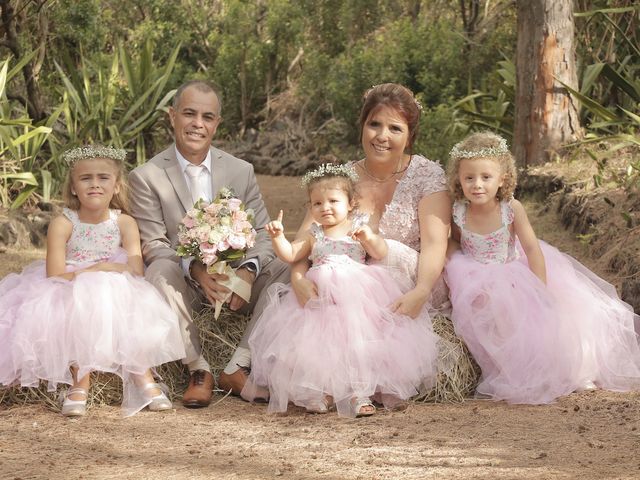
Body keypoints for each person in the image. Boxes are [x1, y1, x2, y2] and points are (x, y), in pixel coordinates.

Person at [224, 83, 453, 397]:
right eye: (374, 124)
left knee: (383, 255)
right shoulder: (341, 178)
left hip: (411, 278)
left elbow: (435, 244)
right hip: (346, 274)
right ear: (361, 126)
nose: (382, 136)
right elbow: (308, 237)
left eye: (395, 128)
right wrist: (299, 278)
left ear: (410, 135)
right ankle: (242, 363)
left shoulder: (427, 176)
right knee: (285, 272)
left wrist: (421, 290)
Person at [444, 131, 640, 404]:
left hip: (513, 272)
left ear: (502, 179)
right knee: (491, 319)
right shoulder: (458, 211)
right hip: (475, 273)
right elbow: (454, 240)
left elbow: (532, 248)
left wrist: (539, 288)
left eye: (486, 177)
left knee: (534, 322)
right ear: (458, 180)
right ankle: (507, 370)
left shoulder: (510, 209)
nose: (477, 185)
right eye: (469, 178)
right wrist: (456, 263)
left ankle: (568, 370)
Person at [129, 80, 288, 408]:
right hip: (186, 284)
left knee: (289, 268)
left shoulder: (241, 170)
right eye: (189, 113)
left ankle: (238, 365)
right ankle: (199, 369)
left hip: (238, 286)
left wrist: (247, 271)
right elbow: (154, 243)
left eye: (207, 116)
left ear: (217, 123)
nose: (197, 124)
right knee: (159, 268)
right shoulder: (146, 176)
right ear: (172, 116)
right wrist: (197, 270)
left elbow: (261, 232)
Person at [0, 145, 185, 417]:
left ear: (117, 186)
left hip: (116, 283)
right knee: (80, 301)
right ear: (73, 187)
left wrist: (105, 268)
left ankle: (142, 375)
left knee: (124, 296)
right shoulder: (63, 223)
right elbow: (55, 274)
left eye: (103, 178)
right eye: (86, 178)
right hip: (69, 286)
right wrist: (93, 273)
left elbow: (135, 268)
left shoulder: (124, 223)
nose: (95, 184)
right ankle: (80, 379)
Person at [242, 164, 441, 417]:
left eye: (333, 201)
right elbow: (291, 255)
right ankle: (322, 392)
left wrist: (368, 237)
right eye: (317, 203)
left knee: (357, 343)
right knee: (320, 346)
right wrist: (278, 237)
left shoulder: (356, 227)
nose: (325, 208)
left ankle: (361, 393)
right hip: (321, 301)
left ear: (351, 203)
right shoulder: (314, 234)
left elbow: (379, 252)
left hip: (356, 296)